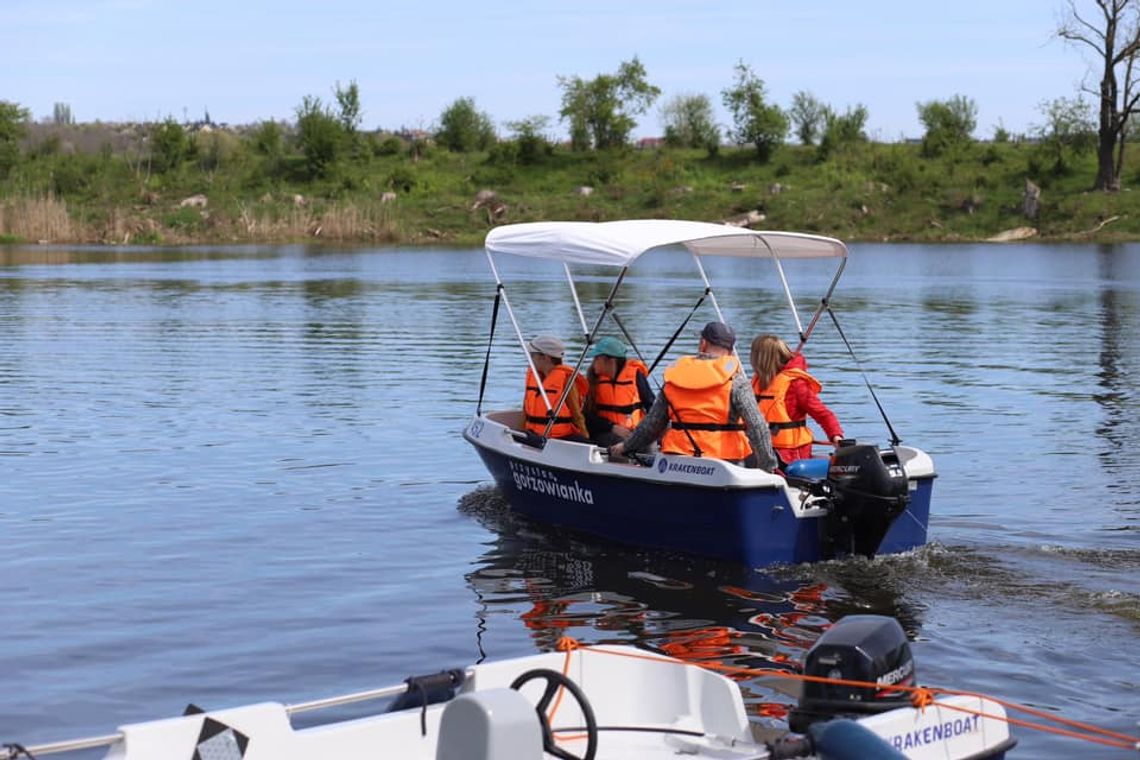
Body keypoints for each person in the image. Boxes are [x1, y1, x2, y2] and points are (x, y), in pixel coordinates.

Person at [609, 322, 777, 471]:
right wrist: (768, 467)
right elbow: (758, 426)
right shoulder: (736, 381)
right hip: (724, 463)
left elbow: (651, 426)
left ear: (702, 344)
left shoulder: (675, 378)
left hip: (677, 461)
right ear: (731, 351)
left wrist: (625, 447)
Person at [749, 334, 844, 466]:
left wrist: (836, 437)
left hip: (790, 455)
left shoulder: (796, 385)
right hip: (762, 450)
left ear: (761, 359)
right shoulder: (756, 382)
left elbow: (823, 414)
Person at [584, 336, 655, 447]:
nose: (593, 363)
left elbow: (652, 407)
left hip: (635, 432)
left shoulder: (635, 375)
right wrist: (612, 427)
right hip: (605, 432)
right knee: (618, 443)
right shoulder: (593, 380)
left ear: (611, 361)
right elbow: (587, 417)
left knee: (650, 445)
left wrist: (644, 431)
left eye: (597, 358)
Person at [522, 334, 589, 442]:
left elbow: (577, 416)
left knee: (587, 443)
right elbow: (524, 411)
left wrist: (585, 439)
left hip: (560, 438)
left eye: (532, 355)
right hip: (533, 435)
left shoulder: (566, 380)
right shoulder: (534, 377)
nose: (529, 359)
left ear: (545, 358)